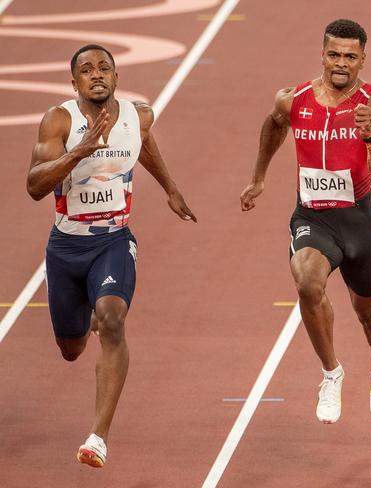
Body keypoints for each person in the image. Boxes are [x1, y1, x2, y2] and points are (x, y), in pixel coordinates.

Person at [27, 44, 196, 467]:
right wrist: (80, 150)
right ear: (75, 82)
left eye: (105, 67)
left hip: (113, 241)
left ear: (117, 77)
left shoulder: (138, 116)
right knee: (71, 348)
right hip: (66, 247)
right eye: (86, 69)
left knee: (113, 320)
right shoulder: (60, 120)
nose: (97, 74)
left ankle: (97, 437)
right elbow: (33, 186)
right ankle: (82, 316)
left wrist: (170, 188)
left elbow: (145, 143)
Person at [240, 19, 371, 424]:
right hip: (313, 216)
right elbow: (274, 125)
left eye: (350, 56)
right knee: (307, 281)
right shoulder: (296, 99)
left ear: (363, 59)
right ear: (322, 55)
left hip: (359, 221)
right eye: (333, 54)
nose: (340, 63)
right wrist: (259, 177)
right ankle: (332, 374)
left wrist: (370, 139)